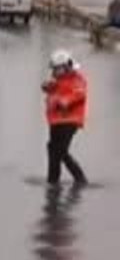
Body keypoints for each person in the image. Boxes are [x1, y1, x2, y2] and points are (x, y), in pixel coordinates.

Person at [41, 49, 88, 186]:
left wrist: (64, 102)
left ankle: (78, 178)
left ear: (65, 66)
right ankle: (53, 180)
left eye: (57, 69)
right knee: (53, 148)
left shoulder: (78, 78)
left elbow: (78, 94)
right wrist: (48, 87)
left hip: (69, 120)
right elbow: (56, 89)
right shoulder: (60, 79)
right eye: (53, 69)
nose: (54, 72)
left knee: (59, 150)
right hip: (56, 120)